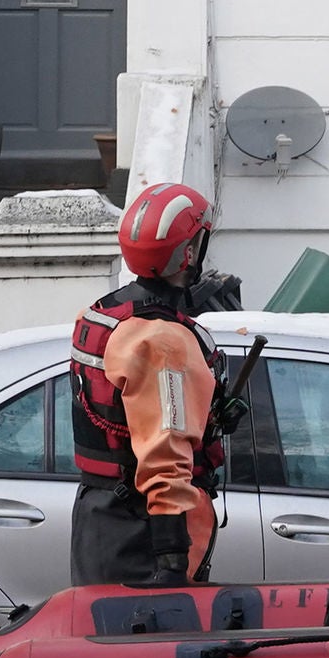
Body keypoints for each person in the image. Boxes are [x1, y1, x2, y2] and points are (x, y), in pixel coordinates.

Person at [67, 180, 227, 588]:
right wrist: (172, 562)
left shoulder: (102, 315)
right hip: (143, 535)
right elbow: (165, 452)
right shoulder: (164, 340)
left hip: (98, 515)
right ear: (189, 253)